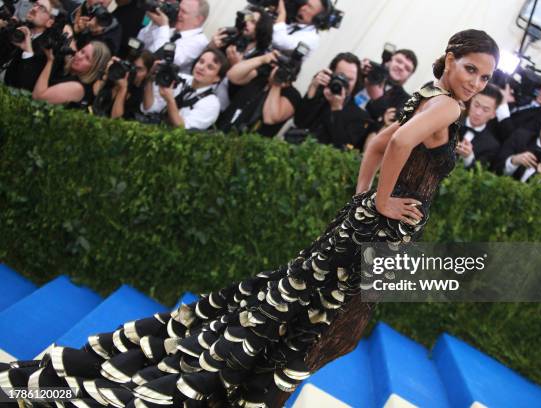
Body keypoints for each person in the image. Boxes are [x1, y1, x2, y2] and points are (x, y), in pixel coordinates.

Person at [0, 29, 499, 408]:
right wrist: (382, 204)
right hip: (372, 237)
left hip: (362, 230)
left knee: (290, 313)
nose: (476, 83)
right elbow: (398, 144)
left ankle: (226, 381)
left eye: (485, 78)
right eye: (471, 69)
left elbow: (376, 144)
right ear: (450, 59)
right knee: (311, 326)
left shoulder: (428, 99)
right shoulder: (448, 109)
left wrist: (363, 200)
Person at [293, 52, 372, 150]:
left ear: (357, 82)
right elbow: (299, 121)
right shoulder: (319, 97)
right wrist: (313, 87)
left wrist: (336, 109)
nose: (344, 82)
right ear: (331, 73)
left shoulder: (360, 116)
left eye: (349, 79)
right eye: (341, 76)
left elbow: (342, 147)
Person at [217, 49, 301, 137]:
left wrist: (276, 83)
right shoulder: (261, 76)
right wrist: (262, 59)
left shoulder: (293, 95)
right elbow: (232, 76)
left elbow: (270, 118)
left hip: (248, 144)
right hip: (223, 129)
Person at [140, 47, 228, 130]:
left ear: (217, 78)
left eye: (210, 67)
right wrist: (149, 80)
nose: (202, 68)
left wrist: (170, 100)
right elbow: (149, 109)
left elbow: (183, 130)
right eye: (201, 62)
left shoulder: (211, 103)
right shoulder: (180, 78)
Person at [2, 0, 63, 92]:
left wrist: (28, 52)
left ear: (49, 22)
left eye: (42, 8)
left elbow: (26, 85)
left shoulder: (48, 49)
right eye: (35, 5)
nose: (34, 9)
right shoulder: (20, 30)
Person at [136, 0, 209, 74]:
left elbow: (168, 59)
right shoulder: (169, 31)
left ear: (198, 20)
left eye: (183, 11)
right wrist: (155, 24)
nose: (177, 14)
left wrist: (163, 25)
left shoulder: (200, 41)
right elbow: (143, 45)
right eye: (178, 9)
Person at [32, 40, 111, 108]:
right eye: (82, 51)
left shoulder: (77, 88)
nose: (80, 56)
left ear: (94, 68)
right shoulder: (70, 73)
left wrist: (50, 61)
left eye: (87, 58)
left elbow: (38, 98)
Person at [357, 48, 418, 129]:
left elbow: (388, 125)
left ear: (409, 76)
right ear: (389, 60)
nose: (401, 67)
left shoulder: (406, 101)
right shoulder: (367, 70)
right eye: (399, 61)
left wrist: (378, 99)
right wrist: (357, 69)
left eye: (407, 68)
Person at [455, 83, 503, 169]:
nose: (478, 112)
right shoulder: (452, 120)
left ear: (493, 114)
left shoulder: (492, 146)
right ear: (471, 101)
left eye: (485, 110)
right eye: (476, 105)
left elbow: (479, 175)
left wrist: (468, 157)